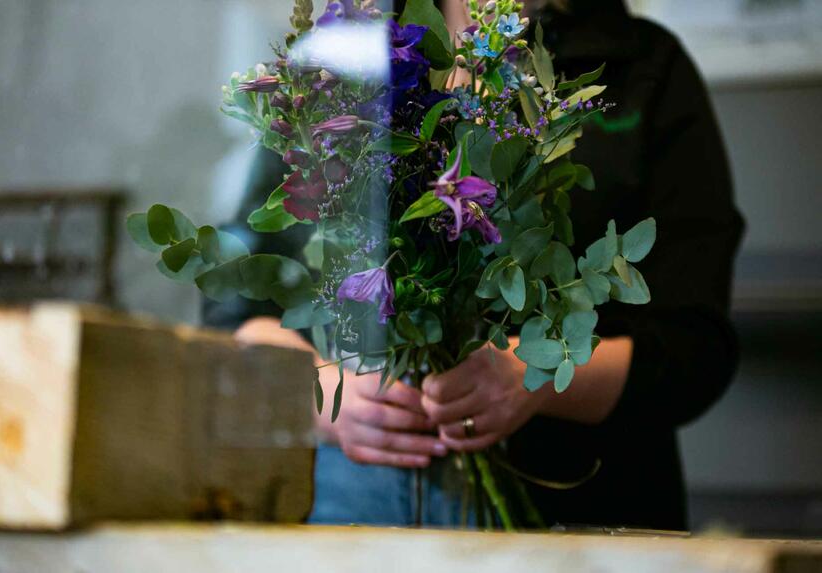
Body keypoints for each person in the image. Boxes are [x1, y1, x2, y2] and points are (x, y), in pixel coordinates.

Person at [204, 0, 744, 530]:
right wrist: (322, 398)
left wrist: (533, 377)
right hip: (345, 516)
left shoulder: (640, 67)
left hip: (573, 522)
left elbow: (694, 347)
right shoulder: (339, 59)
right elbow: (234, 311)